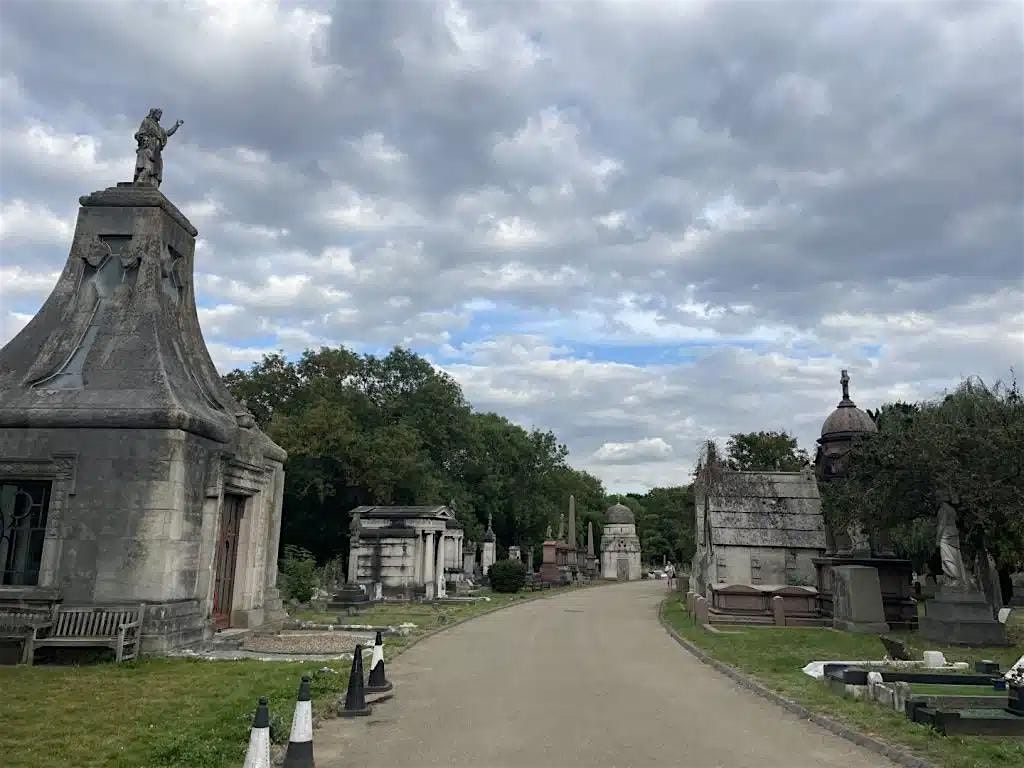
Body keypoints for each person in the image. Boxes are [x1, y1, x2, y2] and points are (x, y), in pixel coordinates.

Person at [133, 108, 183, 187]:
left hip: (156, 152)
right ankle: (140, 181)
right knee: (147, 167)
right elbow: (139, 134)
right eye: (158, 113)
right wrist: (144, 139)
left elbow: (167, 133)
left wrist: (176, 126)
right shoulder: (147, 121)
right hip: (148, 148)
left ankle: (153, 185)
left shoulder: (160, 129)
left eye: (161, 114)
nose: (160, 116)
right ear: (154, 113)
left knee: (158, 169)